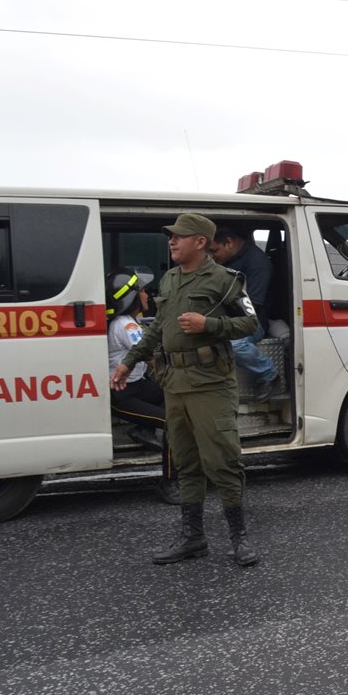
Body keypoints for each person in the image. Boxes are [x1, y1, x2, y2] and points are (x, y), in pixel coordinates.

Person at [112, 213, 261, 567]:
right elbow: (157, 329)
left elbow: (250, 322)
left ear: (200, 242)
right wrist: (128, 362)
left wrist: (208, 323)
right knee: (185, 462)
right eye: (171, 237)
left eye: (179, 237)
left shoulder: (225, 280)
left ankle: (239, 538)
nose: (171, 241)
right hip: (175, 384)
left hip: (211, 384)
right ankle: (193, 538)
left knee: (223, 461)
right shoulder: (170, 280)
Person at [106, 266, 179, 504]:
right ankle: (170, 482)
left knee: (175, 395)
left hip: (137, 386)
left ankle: (143, 429)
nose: (148, 295)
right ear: (133, 296)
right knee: (173, 424)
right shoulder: (125, 326)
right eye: (145, 291)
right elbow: (150, 357)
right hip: (123, 396)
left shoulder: (129, 322)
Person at [208, 227, 280, 402]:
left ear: (229, 243)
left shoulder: (257, 263)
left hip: (252, 320)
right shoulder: (226, 261)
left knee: (235, 345)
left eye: (214, 250)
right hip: (226, 318)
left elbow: (252, 306)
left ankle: (269, 373)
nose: (211, 256)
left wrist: (217, 320)